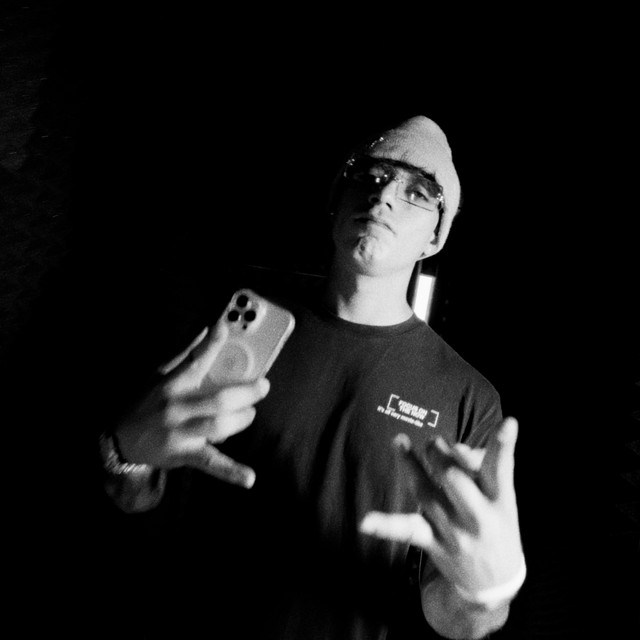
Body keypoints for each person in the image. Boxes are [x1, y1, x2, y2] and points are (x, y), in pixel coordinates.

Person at [99, 115, 526, 639]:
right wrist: (125, 458)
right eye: (368, 176)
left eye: (417, 192)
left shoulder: (467, 397)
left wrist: (485, 593)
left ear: (434, 237)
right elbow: (139, 505)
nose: (384, 196)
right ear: (336, 201)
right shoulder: (235, 332)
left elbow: (450, 617)